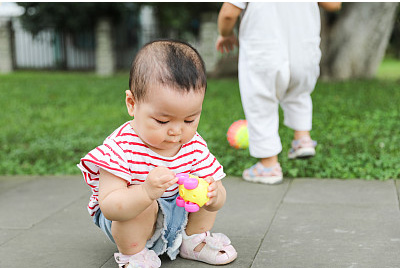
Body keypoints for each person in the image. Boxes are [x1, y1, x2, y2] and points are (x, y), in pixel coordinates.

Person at [77, 40, 237, 268]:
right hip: (129, 220)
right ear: (132, 104)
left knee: (204, 185)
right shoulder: (121, 148)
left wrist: (214, 195)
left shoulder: (194, 145)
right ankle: (133, 254)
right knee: (141, 204)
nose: (176, 130)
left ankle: (194, 240)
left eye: (190, 119)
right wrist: (144, 192)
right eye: (162, 120)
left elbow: (218, 197)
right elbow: (110, 206)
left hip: (177, 219)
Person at [216, 2, 341, 184]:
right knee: (299, 92)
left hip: (265, 50)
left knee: (261, 102)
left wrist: (225, 34)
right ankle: (302, 138)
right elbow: (334, 4)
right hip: (304, 49)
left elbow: (228, 13)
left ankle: (268, 166)